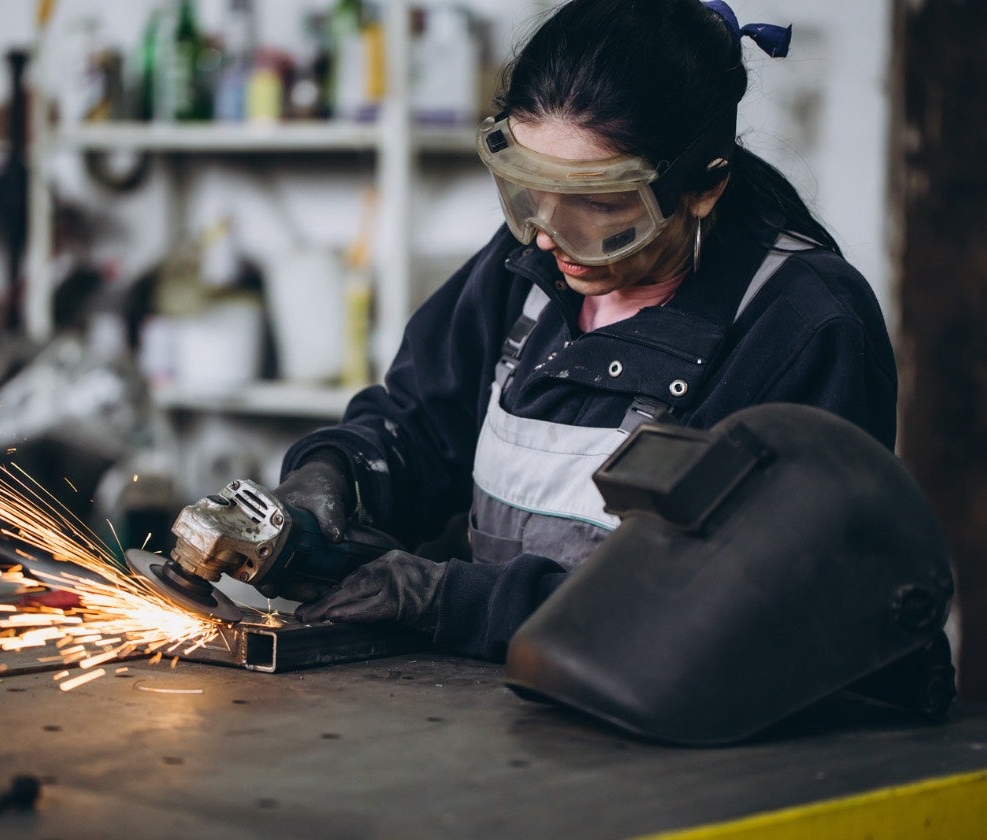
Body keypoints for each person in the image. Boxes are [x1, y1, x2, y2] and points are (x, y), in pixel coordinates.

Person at [267, 0, 896, 661]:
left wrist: (449, 601)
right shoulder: (527, 270)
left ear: (704, 185)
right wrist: (337, 472)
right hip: (508, 713)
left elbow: (732, 607)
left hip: (704, 744)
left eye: (596, 202)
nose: (545, 233)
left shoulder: (804, 323)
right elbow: (423, 422)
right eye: (531, 190)